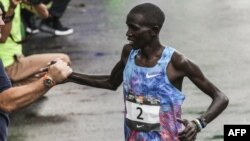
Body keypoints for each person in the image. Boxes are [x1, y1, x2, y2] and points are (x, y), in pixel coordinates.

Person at [67, 3, 229, 141]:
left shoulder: (176, 62)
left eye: (134, 28)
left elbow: (220, 98)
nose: (128, 33)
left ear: (153, 31)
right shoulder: (129, 53)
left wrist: (198, 123)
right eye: (128, 26)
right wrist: (69, 76)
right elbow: (111, 82)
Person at [0, 0, 71, 86]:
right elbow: (3, 38)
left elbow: (45, 15)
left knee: (55, 72)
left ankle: (13, 89)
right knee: (62, 61)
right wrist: (11, 9)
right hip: (7, 64)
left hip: (17, 57)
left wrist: (34, 2)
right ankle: (10, 92)